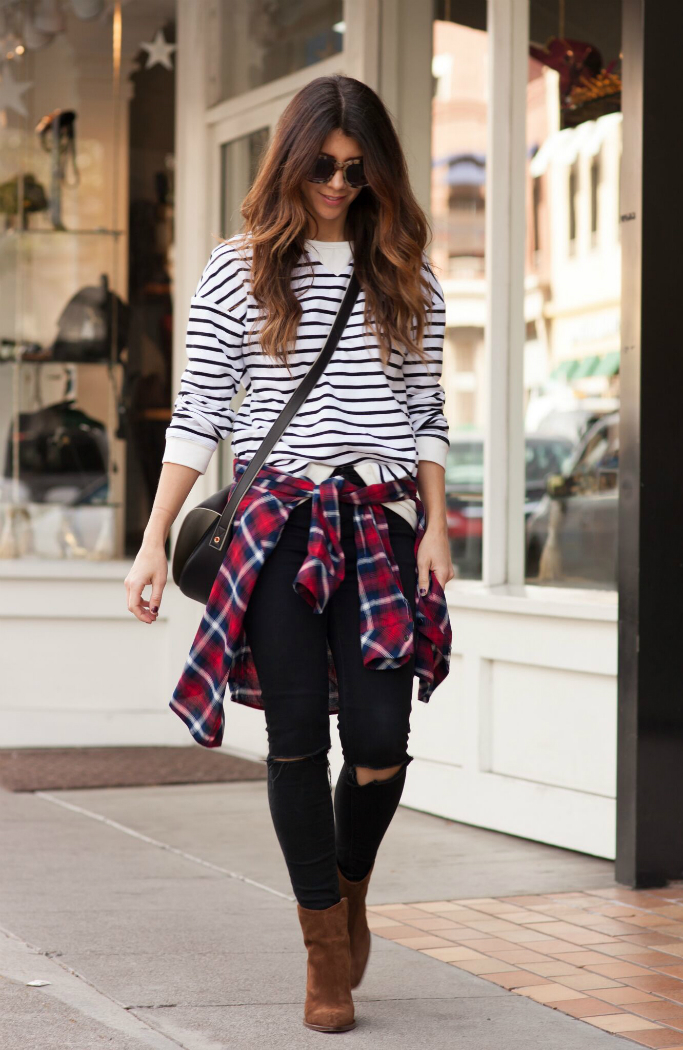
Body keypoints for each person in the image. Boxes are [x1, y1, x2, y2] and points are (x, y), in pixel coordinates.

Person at [124, 73, 454, 1034]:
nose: (340, 184)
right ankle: (322, 949)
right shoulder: (239, 269)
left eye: (357, 169)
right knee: (298, 738)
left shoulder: (407, 270)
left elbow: (429, 414)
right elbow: (198, 416)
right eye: (323, 166)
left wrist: (436, 524)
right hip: (275, 527)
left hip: (381, 523)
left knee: (383, 739)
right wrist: (151, 542)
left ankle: (348, 886)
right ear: (291, 159)